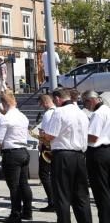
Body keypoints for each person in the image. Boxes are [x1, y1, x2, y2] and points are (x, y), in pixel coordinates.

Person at [43, 89, 92, 223]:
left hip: (63, 156)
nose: (54, 103)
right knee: (82, 197)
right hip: (79, 156)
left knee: (62, 196)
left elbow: (50, 136)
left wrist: (43, 135)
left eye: (54, 100)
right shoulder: (81, 113)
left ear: (58, 99)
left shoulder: (59, 112)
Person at [0, 92, 33, 222]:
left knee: (14, 186)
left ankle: (15, 214)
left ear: (4, 104)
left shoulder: (6, 118)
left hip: (12, 152)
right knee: (24, 184)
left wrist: (1, 151)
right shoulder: (23, 116)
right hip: (23, 150)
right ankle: (27, 212)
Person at [82, 91, 110, 223]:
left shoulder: (98, 114)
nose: (85, 106)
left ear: (92, 100)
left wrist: (80, 136)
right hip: (107, 151)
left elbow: (92, 138)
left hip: (98, 153)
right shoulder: (107, 110)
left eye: (85, 102)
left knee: (101, 192)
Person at [37, 94, 55, 212]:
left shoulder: (48, 114)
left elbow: (44, 132)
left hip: (47, 147)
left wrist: (40, 143)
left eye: (41, 104)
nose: (40, 106)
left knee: (43, 174)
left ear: (44, 102)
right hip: (56, 148)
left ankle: (52, 202)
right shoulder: (58, 111)